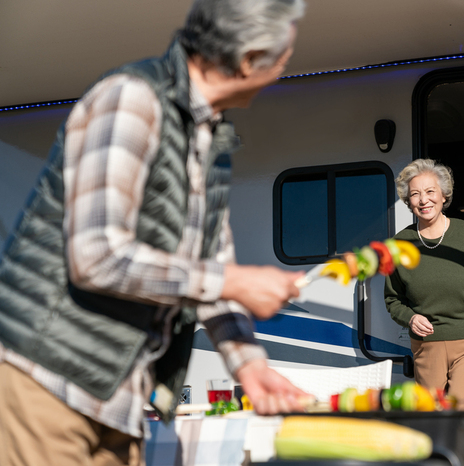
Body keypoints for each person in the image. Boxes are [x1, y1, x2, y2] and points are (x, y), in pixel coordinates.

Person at [0, 0, 307, 464]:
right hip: (46, 380)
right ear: (248, 60)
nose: (285, 70)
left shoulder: (212, 142)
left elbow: (209, 273)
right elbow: (97, 255)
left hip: (118, 398)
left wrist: (251, 364)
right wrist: (236, 282)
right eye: (284, 58)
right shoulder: (129, 100)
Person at [384, 158, 464, 411]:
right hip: (427, 345)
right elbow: (392, 299)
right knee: (430, 415)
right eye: (415, 194)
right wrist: (410, 318)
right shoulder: (399, 245)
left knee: (461, 412)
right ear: (408, 202)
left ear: (444, 196)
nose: (423, 200)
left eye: (430, 192)